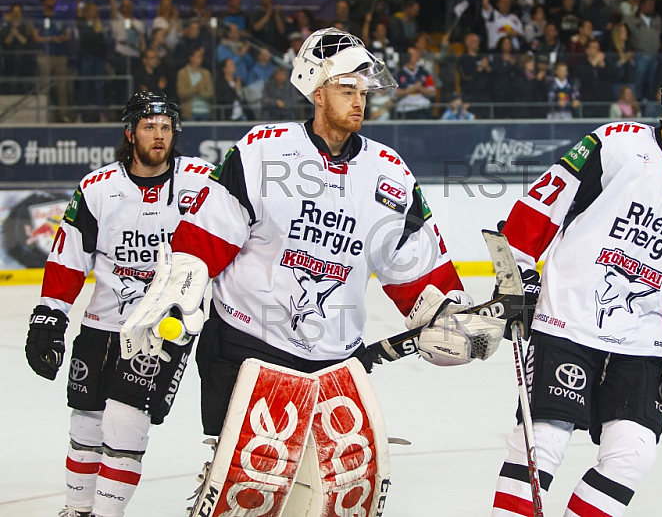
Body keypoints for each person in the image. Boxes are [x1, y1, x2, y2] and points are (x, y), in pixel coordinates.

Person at [119, 28, 505, 517]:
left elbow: (416, 270)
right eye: (348, 89)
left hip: (336, 359)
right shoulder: (264, 150)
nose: (360, 100)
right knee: (251, 496)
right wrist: (173, 297)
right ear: (317, 92)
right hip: (250, 346)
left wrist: (449, 317)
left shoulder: (389, 172)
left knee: (343, 500)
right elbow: (202, 241)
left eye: (363, 91)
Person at [491, 64, 662, 517]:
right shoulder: (616, 144)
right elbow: (545, 202)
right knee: (541, 443)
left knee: (633, 454)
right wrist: (517, 275)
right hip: (568, 320)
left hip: (641, 341)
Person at [24, 91, 214, 517]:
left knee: (126, 421)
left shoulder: (201, 180)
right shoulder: (97, 188)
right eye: (149, 126)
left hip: (165, 326)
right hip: (102, 322)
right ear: (130, 134)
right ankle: (78, 509)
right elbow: (69, 257)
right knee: (87, 420)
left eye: (166, 127)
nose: (159, 134)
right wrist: (49, 318)